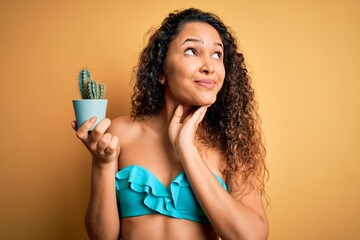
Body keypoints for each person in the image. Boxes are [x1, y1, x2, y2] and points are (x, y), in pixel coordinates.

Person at [72, 8, 269, 240]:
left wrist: (186, 149)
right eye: (192, 51)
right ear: (161, 70)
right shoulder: (121, 133)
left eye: (217, 54)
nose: (209, 66)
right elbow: (101, 237)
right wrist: (102, 163)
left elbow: (251, 237)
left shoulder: (232, 145)